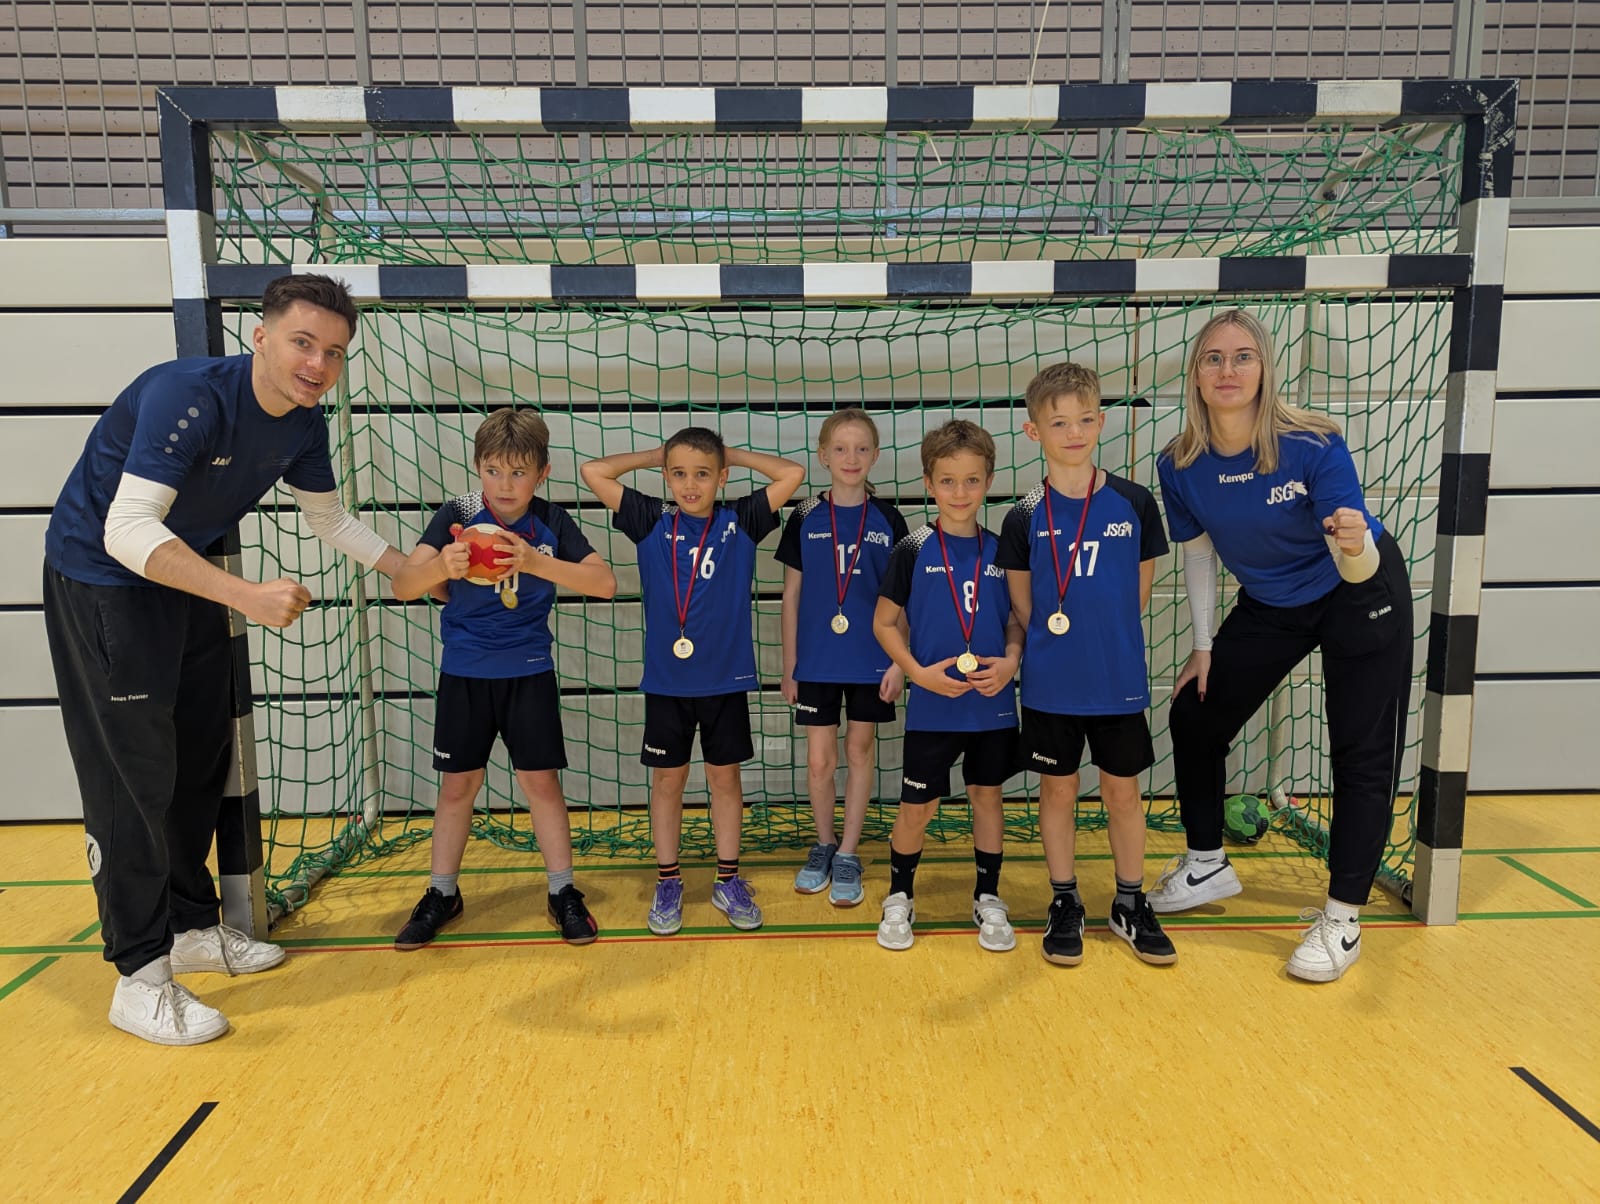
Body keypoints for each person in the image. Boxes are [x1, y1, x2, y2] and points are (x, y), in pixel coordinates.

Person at [42, 274, 408, 1045]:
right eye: (303, 343)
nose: (317, 365)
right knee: (132, 780)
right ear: (261, 337)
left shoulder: (304, 422)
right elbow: (126, 530)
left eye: (334, 353)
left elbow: (329, 519)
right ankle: (139, 977)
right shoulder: (190, 397)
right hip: (105, 582)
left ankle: (188, 927)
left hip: (182, 581)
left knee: (200, 757)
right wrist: (244, 594)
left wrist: (405, 568)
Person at [1151, 308, 1414, 983]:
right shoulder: (1179, 463)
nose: (1228, 369)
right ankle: (1206, 863)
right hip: (1273, 602)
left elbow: (1355, 562)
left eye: (1244, 356)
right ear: (1195, 376)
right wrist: (1204, 646)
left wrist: (1355, 544)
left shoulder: (1313, 444)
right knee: (1195, 713)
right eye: (1213, 358)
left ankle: (1342, 918)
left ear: (1265, 369)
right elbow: (1200, 555)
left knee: (1359, 752)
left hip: (1358, 589)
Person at [389, 407, 617, 952]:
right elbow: (402, 585)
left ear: (542, 472)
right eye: (493, 471)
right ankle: (442, 893)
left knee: (541, 784)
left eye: (518, 472)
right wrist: (441, 567)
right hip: (464, 674)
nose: (505, 484)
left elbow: (604, 583)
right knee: (457, 787)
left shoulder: (549, 520)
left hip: (529, 673)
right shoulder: (458, 513)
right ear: (478, 468)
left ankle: (562, 890)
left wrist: (536, 563)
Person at [580, 429, 805, 934]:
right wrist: (657, 455)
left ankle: (728, 878)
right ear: (665, 476)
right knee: (668, 782)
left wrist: (731, 454)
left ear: (721, 477)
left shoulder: (740, 520)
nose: (690, 484)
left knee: (725, 780)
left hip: (725, 682)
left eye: (703, 474)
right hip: (667, 683)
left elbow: (793, 474)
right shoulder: (650, 519)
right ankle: (668, 880)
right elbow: (593, 471)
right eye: (679, 473)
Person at [997, 363, 1175, 967]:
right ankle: (1065, 899)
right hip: (1052, 683)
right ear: (1033, 431)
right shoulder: (1023, 514)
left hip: (1116, 680)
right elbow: (1024, 603)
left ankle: (1129, 901)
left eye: (1084, 419)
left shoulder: (1135, 502)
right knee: (1058, 790)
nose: (1073, 432)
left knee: (1123, 793)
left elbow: (1137, 594)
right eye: (1058, 423)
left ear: (1100, 422)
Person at [872, 419, 1022, 952]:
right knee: (917, 806)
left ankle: (988, 895)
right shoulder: (912, 548)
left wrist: (1011, 661)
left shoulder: (1004, 550)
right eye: (948, 481)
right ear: (929, 483)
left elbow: (1015, 619)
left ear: (989, 481)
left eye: (972, 480)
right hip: (934, 706)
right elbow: (883, 623)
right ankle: (899, 895)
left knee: (988, 797)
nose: (960, 492)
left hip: (991, 703)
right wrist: (916, 673)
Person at [776, 409, 909, 906]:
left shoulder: (889, 519)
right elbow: (791, 595)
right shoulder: (804, 515)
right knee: (819, 759)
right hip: (816, 661)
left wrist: (899, 661)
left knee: (859, 750)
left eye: (861, 449)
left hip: (872, 659)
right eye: (840, 449)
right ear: (823, 456)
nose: (851, 458)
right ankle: (825, 844)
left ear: (875, 456)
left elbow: (901, 598)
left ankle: (850, 852)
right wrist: (789, 665)